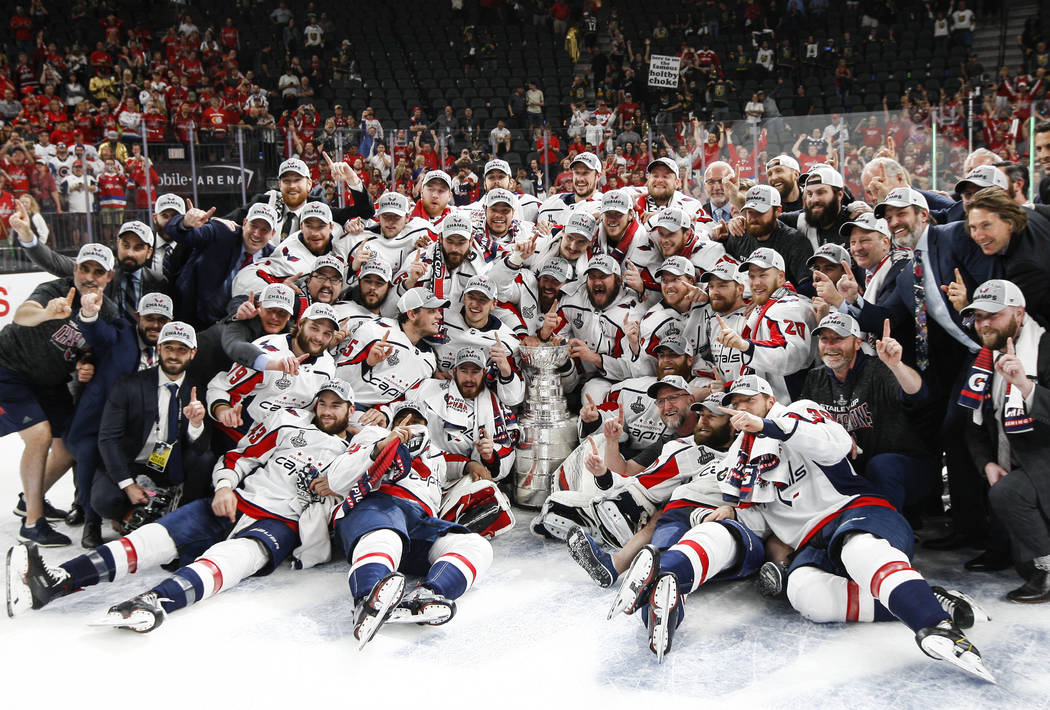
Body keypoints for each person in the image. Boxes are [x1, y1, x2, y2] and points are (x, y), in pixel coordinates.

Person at [5, 379, 359, 630]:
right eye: (323, 403)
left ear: (350, 409)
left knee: (230, 559)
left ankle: (155, 603)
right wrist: (223, 487)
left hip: (283, 523)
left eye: (336, 405)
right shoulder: (288, 425)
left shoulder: (357, 453)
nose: (327, 411)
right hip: (238, 499)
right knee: (154, 537)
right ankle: (57, 579)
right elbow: (240, 458)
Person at [716, 375, 994, 682]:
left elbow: (834, 445)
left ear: (770, 401)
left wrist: (768, 427)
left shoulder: (798, 411)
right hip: (810, 541)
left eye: (749, 401)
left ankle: (935, 624)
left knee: (857, 547)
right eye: (736, 404)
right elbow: (760, 523)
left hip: (851, 510)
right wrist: (734, 507)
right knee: (805, 595)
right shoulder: (739, 459)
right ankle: (929, 597)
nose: (742, 409)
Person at [592, 396, 764, 661]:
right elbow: (635, 479)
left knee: (680, 550)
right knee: (662, 553)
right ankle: (659, 604)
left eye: (712, 416)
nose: (703, 421)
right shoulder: (685, 450)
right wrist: (606, 470)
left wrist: (735, 510)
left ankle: (640, 578)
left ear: (734, 425)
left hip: (724, 521)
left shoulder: (760, 450)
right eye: (701, 415)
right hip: (680, 512)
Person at [333, 404, 493, 647]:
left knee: (475, 545)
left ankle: (428, 594)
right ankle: (368, 599)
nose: (412, 424)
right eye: (404, 419)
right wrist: (380, 447)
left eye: (419, 419)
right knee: (387, 535)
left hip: (420, 520)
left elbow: (457, 464)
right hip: (379, 504)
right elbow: (336, 478)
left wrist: (472, 465)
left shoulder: (436, 454)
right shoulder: (374, 435)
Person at [0, 243, 118, 546]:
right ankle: (33, 523)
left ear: (109, 277)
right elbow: (22, 315)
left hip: (49, 382)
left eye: (98, 271)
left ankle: (30, 501)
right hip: (8, 368)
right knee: (38, 436)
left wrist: (85, 362)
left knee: (68, 446)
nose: (90, 276)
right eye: (84, 268)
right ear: (75, 270)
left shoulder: (108, 312)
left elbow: (98, 349)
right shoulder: (54, 289)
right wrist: (46, 314)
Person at [961, 280, 1050, 602]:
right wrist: (986, 463)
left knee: (1009, 491)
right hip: (1015, 461)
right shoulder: (984, 358)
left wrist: (1026, 387)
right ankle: (1014, 549)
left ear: (1019, 312)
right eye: (979, 317)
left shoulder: (1046, 347)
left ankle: (1048, 570)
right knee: (999, 484)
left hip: (1043, 460)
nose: (984, 324)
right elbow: (973, 424)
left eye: (993, 316)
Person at [66, 292, 174, 548]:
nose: (155, 325)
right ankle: (91, 521)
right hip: (97, 423)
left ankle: (137, 510)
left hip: (142, 432)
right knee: (90, 455)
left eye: (162, 320)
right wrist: (90, 315)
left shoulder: (173, 346)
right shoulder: (122, 334)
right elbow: (98, 335)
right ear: (138, 317)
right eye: (150, 318)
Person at [802, 313, 936, 512]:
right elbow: (802, 424)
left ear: (857, 343)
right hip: (856, 470)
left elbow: (917, 394)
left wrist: (897, 365)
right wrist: (836, 436)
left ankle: (886, 529)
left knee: (882, 465)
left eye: (838, 338)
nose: (830, 346)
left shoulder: (879, 369)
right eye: (824, 339)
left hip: (904, 468)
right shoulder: (815, 378)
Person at [93, 321, 214, 533]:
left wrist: (196, 424)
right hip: (131, 462)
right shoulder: (128, 385)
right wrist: (128, 485)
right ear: (158, 348)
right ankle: (128, 514)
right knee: (105, 500)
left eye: (181, 349)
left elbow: (202, 449)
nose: (174, 355)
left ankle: (180, 516)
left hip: (170, 464)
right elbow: (107, 439)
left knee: (204, 459)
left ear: (193, 353)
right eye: (169, 347)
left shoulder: (199, 391)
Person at [400, 349, 519, 538]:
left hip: (468, 477)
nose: (469, 378)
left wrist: (489, 456)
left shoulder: (496, 406)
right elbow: (399, 408)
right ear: (454, 371)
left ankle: (442, 528)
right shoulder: (430, 392)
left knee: (486, 491)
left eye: (475, 371)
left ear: (484, 373)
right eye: (464, 371)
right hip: (428, 471)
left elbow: (505, 450)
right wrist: (383, 414)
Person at [206, 303, 338, 451]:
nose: (319, 338)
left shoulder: (328, 366)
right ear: (301, 324)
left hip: (281, 445)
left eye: (327, 333)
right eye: (314, 328)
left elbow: (314, 411)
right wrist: (223, 410)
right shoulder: (265, 351)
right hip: (239, 435)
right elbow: (221, 388)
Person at [13, 208, 166, 324]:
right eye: (126, 245)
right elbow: (52, 261)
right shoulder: (99, 269)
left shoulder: (160, 282)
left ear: (149, 252)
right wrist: (26, 234)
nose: (130, 253)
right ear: (118, 244)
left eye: (138, 247)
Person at [713, 248, 816, 401]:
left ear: (781, 277)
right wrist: (729, 387)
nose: (756, 283)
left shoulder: (786, 308)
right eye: (752, 276)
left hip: (791, 407)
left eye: (763, 275)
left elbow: (789, 356)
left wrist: (745, 345)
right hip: (774, 405)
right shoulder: (770, 304)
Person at [540, 254, 645, 402]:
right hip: (580, 375)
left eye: (603, 276)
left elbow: (634, 370)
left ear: (619, 280)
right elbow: (554, 339)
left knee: (593, 396)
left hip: (618, 379)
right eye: (592, 276)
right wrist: (551, 337)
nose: (597, 281)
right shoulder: (573, 299)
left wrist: (593, 357)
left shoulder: (631, 313)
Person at [164, 202, 278, 329]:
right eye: (253, 226)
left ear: (272, 234)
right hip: (193, 314)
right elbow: (178, 232)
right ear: (245, 223)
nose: (256, 234)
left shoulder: (273, 258)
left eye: (264, 230)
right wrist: (185, 222)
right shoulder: (222, 232)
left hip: (235, 324)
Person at [334, 287, 445, 414]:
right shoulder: (375, 331)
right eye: (432, 311)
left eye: (438, 311)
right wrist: (367, 363)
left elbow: (407, 399)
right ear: (412, 314)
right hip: (344, 404)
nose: (439, 316)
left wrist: (385, 413)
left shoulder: (430, 361)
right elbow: (339, 376)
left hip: (381, 417)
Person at [716, 184, 814, 291]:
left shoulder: (794, 242)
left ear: (778, 211)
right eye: (750, 212)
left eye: (760, 212)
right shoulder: (738, 234)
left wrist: (771, 300)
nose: (753, 218)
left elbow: (808, 289)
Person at [395, 211, 490, 306]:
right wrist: (410, 282)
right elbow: (388, 310)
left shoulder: (482, 264)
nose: (454, 248)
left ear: (471, 240)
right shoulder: (417, 259)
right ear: (440, 237)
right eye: (450, 241)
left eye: (461, 243)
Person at [537, 152, 603, 225]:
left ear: (598, 176)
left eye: (586, 173)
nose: (580, 178)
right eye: (577, 173)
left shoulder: (603, 207)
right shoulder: (552, 202)